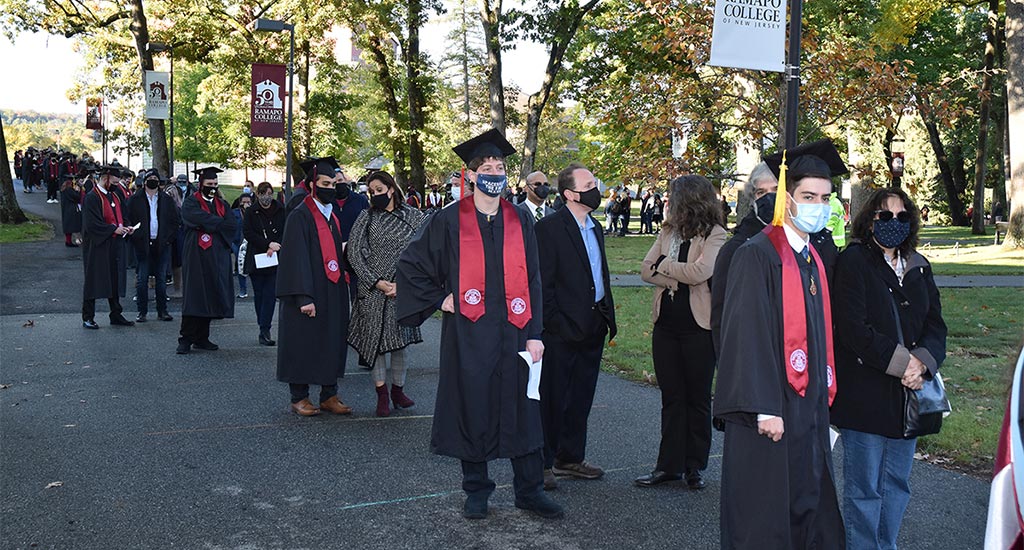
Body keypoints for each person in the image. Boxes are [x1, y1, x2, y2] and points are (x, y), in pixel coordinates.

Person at [396, 128, 563, 520]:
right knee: (473, 404)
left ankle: (529, 490)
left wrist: (536, 332)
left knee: (524, 406)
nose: (493, 171)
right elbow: (412, 266)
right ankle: (477, 490)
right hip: (470, 333)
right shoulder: (449, 220)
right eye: (485, 166)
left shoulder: (520, 218)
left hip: (517, 329)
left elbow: (535, 278)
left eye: (500, 166)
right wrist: (441, 298)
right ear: (470, 175)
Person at [714, 139, 848, 549]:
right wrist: (763, 408)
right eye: (808, 196)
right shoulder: (756, 254)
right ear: (786, 199)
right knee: (765, 512)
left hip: (806, 407)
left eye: (825, 198)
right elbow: (744, 335)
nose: (818, 206)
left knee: (808, 500)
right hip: (769, 408)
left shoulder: (812, 257)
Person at [830, 188, 947, 549]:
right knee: (864, 490)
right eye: (884, 216)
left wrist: (923, 364)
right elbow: (853, 329)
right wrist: (902, 364)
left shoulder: (918, 265)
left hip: (909, 399)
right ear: (869, 221)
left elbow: (935, 325)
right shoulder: (853, 262)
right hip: (866, 396)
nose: (893, 223)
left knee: (896, 484)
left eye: (901, 216)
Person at [635, 174, 726, 490]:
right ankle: (668, 466)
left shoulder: (715, 234)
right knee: (672, 398)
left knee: (697, 399)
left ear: (689, 200)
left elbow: (702, 271)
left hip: (698, 330)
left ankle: (694, 467)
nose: (669, 203)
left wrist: (665, 265)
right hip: (666, 328)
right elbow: (646, 270)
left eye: (674, 198)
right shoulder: (668, 230)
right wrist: (676, 277)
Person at [534, 162, 617, 490]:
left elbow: (599, 273)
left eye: (594, 181)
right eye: (588, 183)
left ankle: (570, 457)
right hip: (561, 332)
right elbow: (543, 284)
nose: (595, 187)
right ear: (569, 193)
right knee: (552, 398)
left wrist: (605, 315)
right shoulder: (549, 229)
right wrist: (555, 323)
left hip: (593, 325)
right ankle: (543, 462)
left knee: (581, 397)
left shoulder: (595, 227)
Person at [275, 157, 353, 416]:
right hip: (308, 293)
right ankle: (299, 396)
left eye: (334, 183)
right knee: (303, 342)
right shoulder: (301, 215)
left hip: (331, 291)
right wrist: (303, 297)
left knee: (330, 341)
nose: (331, 188)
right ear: (311, 185)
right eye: (325, 183)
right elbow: (294, 259)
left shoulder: (331, 216)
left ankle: (328, 394)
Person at [347, 170, 425, 417]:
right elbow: (354, 253)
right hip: (372, 291)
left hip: (403, 290)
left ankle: (398, 392)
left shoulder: (414, 217)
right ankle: (381, 394)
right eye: (371, 192)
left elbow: (425, 253)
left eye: (379, 190)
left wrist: (405, 284)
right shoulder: (366, 217)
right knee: (376, 344)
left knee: (400, 343)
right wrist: (376, 282)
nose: (375, 195)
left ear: (391, 189)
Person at [176, 167, 237, 355]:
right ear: (200, 184)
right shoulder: (191, 202)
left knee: (210, 293)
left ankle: (202, 337)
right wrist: (216, 223)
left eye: (215, 184)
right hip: (196, 254)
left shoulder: (221, 204)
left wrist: (208, 224)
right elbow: (193, 217)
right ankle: (185, 339)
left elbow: (231, 224)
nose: (212, 187)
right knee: (195, 295)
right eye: (209, 184)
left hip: (216, 256)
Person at [81, 165, 136, 329]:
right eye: (114, 181)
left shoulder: (115, 196)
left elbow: (123, 216)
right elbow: (92, 224)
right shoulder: (92, 197)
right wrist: (113, 229)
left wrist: (127, 226)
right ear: (105, 179)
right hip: (98, 246)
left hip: (115, 244)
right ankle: (88, 316)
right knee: (94, 280)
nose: (116, 185)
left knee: (115, 279)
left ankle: (116, 314)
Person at [125, 168, 180, 322]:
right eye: (151, 178)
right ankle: (142, 311)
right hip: (142, 244)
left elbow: (175, 221)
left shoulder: (166, 199)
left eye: (156, 178)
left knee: (161, 279)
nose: (153, 181)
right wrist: (135, 235)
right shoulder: (135, 200)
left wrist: (168, 239)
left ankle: (162, 310)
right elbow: (127, 218)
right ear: (144, 181)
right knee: (142, 279)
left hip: (162, 244)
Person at [243, 182, 287, 346]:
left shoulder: (281, 210)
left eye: (268, 193)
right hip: (257, 256)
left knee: (269, 294)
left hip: (275, 257)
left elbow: (285, 230)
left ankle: (265, 329)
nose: (265, 197)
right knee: (259, 294)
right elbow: (248, 232)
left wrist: (275, 245)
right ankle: (262, 323)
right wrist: (267, 244)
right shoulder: (251, 211)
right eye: (262, 193)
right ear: (258, 194)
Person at [230, 194, 252, 299]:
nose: (246, 204)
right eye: (244, 202)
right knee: (240, 265)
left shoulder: (254, 213)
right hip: (237, 242)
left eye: (248, 202)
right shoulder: (234, 213)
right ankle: (243, 290)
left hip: (250, 243)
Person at [59, 174, 84, 247]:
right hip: (72, 209)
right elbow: (76, 197)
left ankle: (68, 241)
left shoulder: (63, 188)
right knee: (73, 225)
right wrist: (78, 191)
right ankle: (69, 241)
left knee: (68, 226)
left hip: (66, 208)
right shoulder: (69, 189)